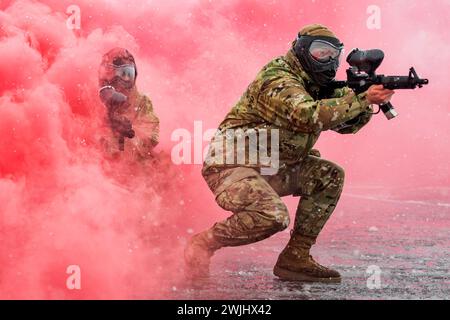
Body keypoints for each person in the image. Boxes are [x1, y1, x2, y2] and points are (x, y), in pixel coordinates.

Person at [185, 24, 395, 282]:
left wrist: (363, 100)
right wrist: (362, 100)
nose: (328, 61)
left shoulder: (316, 84)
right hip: (231, 166)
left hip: (273, 166)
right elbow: (307, 115)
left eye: (333, 55)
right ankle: (203, 243)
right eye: (320, 52)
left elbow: (345, 126)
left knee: (328, 175)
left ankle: (296, 257)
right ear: (302, 50)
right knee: (272, 216)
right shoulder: (277, 79)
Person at [98, 47, 159, 161]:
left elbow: (151, 136)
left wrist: (130, 134)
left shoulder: (142, 102)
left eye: (128, 74)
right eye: (119, 74)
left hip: (131, 163)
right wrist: (110, 122)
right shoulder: (93, 99)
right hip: (101, 162)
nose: (124, 80)